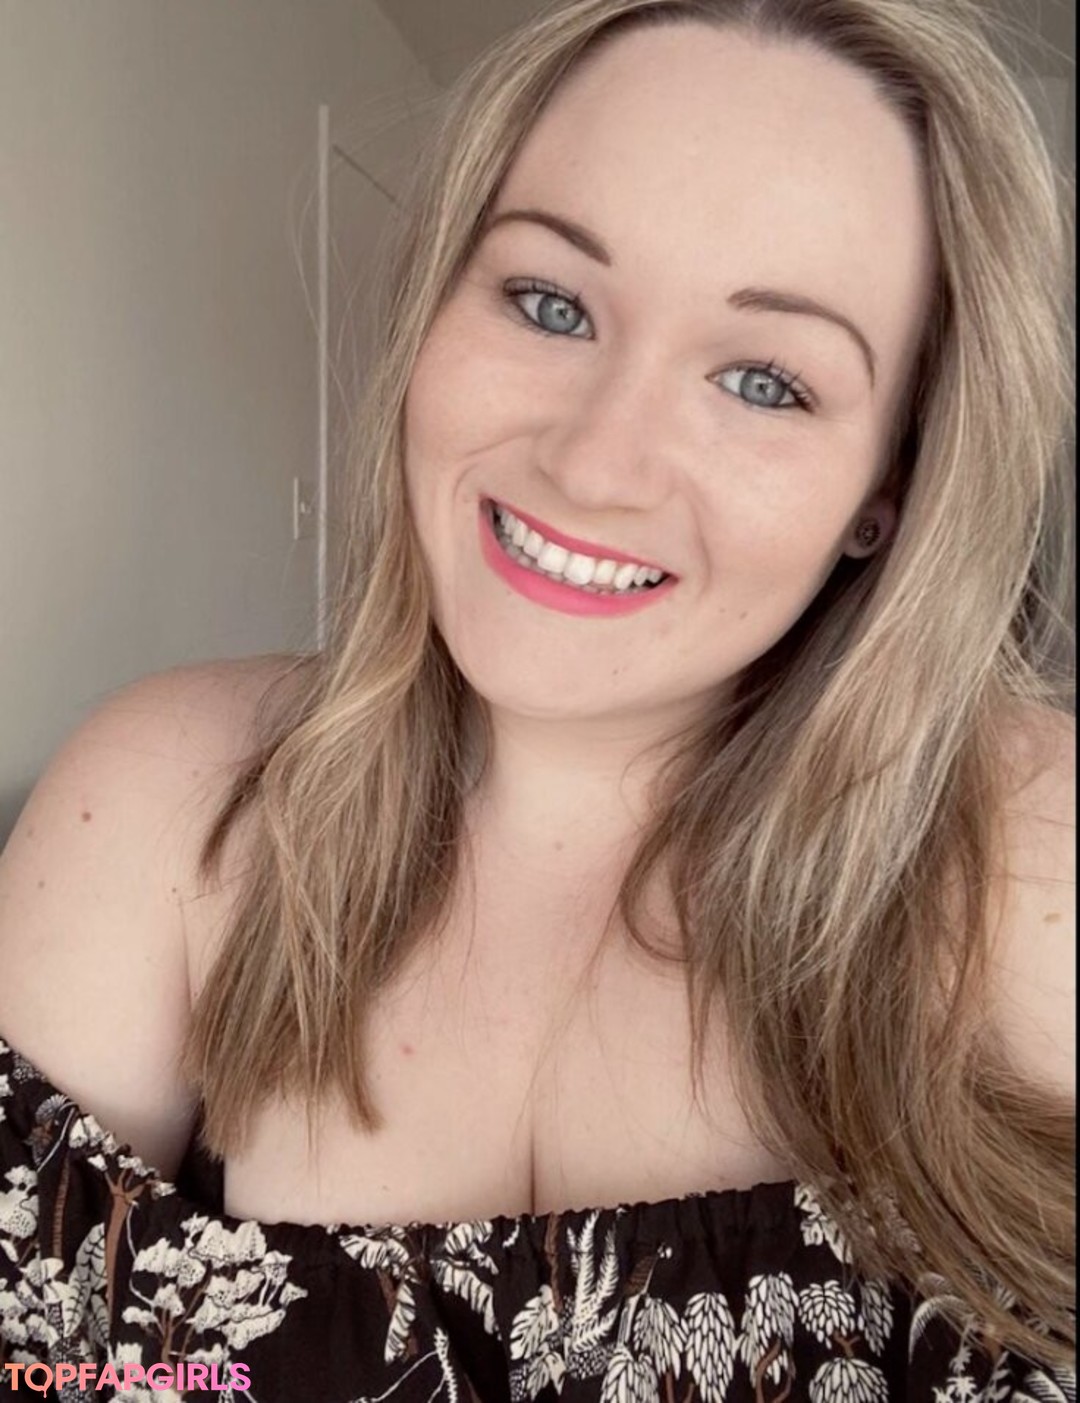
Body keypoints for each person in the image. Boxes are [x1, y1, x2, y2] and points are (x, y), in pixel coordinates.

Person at [0, 0, 1074, 1397]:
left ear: (889, 487)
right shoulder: (165, 799)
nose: (595, 462)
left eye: (766, 382)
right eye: (550, 302)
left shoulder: (1025, 854)